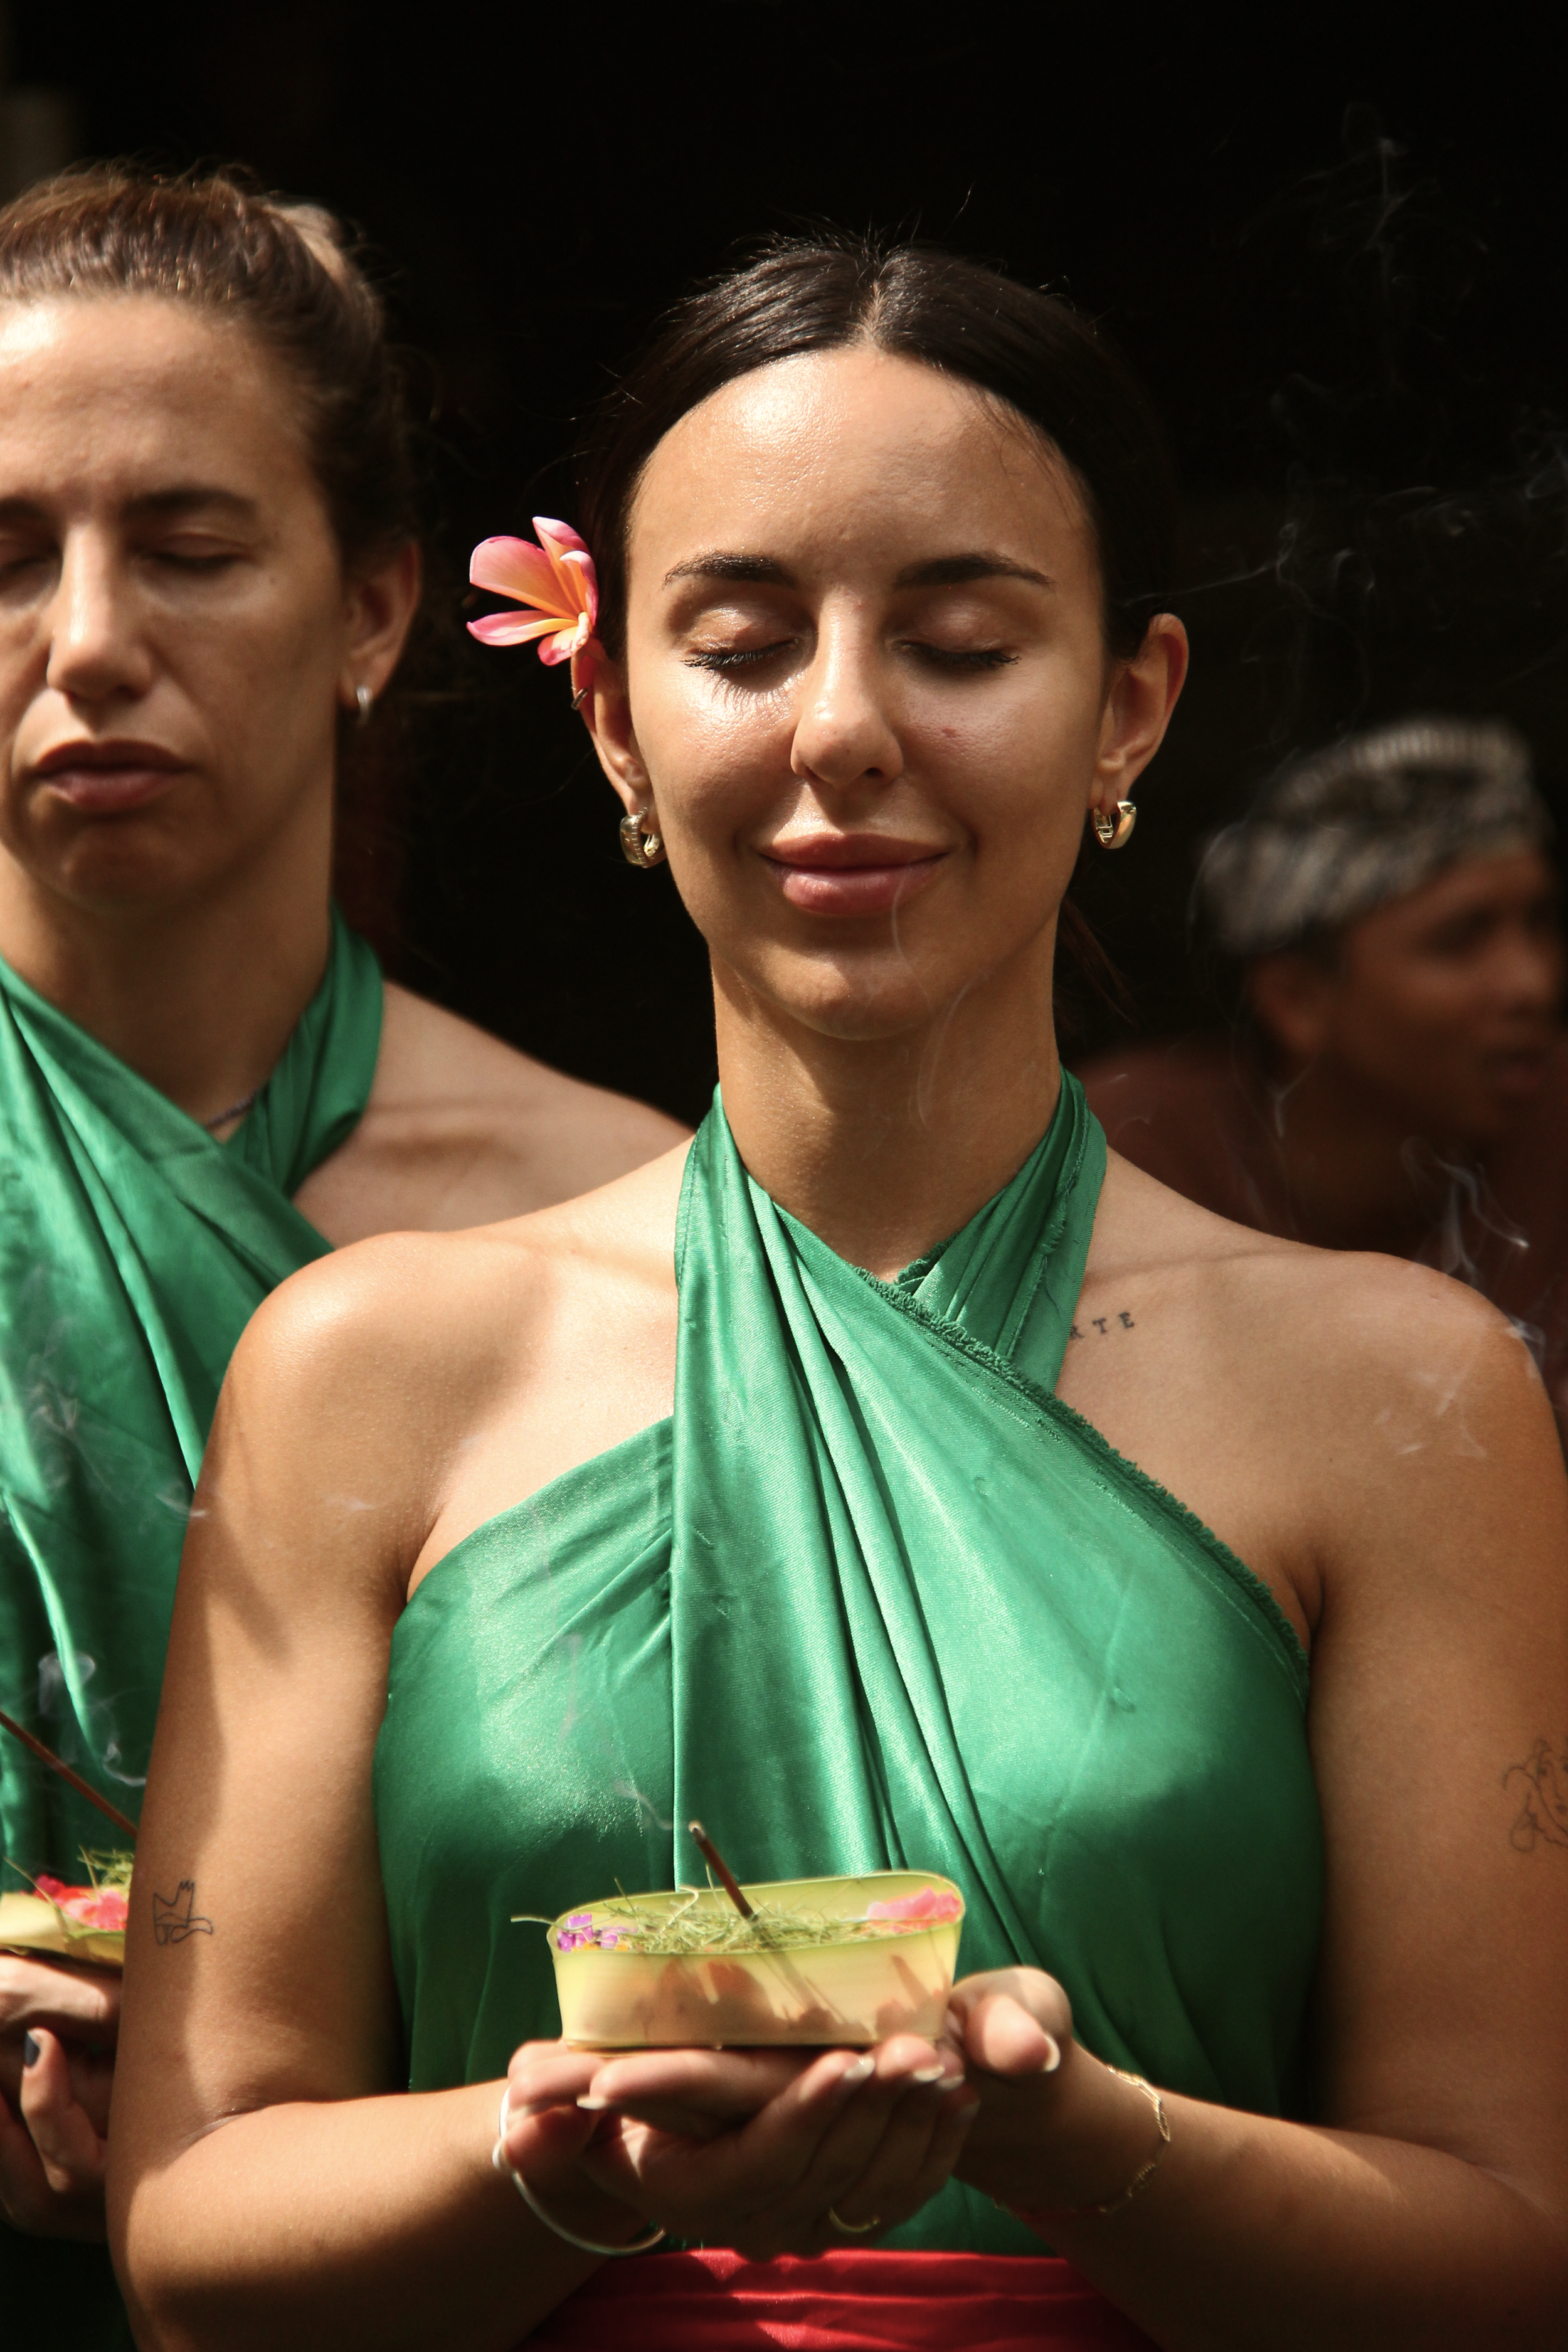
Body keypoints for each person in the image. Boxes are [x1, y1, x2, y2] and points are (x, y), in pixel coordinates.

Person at [110, 238, 1568, 2351]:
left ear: (1127, 707)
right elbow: (192, 2232)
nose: (846, 732)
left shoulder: (1395, 1391)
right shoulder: (371, 1368)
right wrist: (557, 2161)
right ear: (612, 710)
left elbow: (1509, 2260)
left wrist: (1081, 2136)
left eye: (962, 643)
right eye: (742, 642)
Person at [0, 164, 684, 2325]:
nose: (91, 640)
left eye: (191, 549)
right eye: (3, 558)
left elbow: (721, 1867)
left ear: (379, 609)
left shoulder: (616, 1226)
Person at [1076, 719, 1568, 1428]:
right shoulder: (1125, 1160)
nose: (1532, 984)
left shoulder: (1553, 1127)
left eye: (1541, 924)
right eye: (1459, 941)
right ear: (1296, 998)